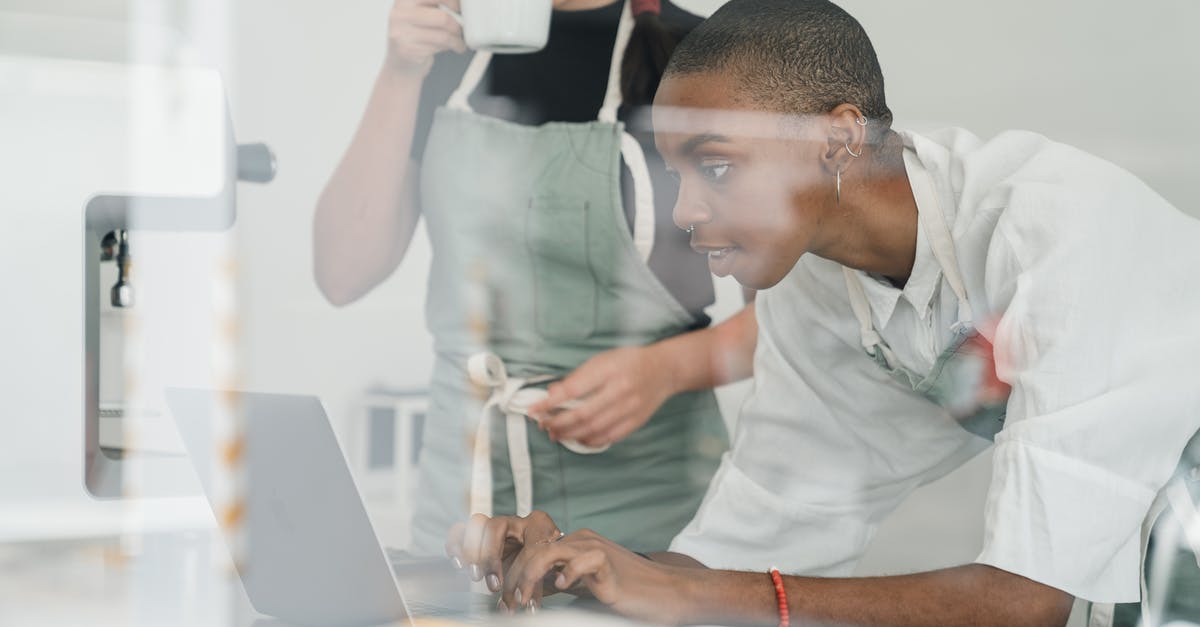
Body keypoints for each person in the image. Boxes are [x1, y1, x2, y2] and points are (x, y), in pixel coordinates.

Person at [444, 0, 1200, 624]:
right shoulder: (818, 295)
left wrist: (695, 592)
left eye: (715, 166)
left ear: (838, 138)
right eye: (677, 173)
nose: (686, 210)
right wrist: (589, 566)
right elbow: (743, 552)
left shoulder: (1056, 232)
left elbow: (1023, 601)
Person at [313, 0, 758, 559]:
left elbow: (795, 323)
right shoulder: (447, 52)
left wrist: (667, 370)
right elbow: (342, 272)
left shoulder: (702, 57)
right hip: (464, 520)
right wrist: (400, 72)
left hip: (652, 527)